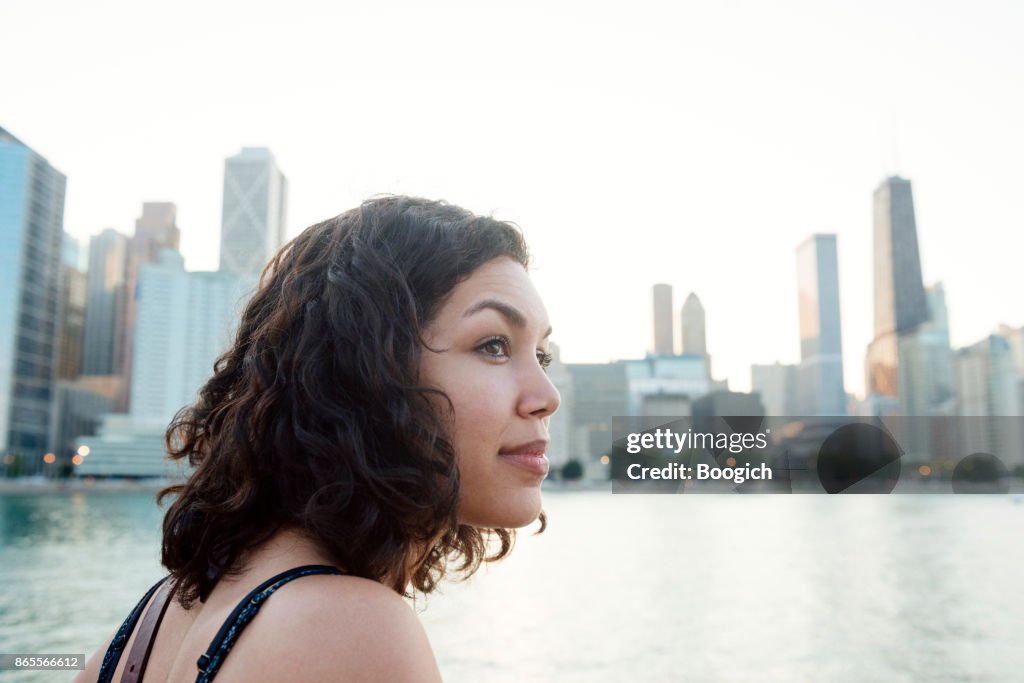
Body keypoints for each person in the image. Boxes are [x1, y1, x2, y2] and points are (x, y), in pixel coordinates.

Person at [76, 196, 560, 682]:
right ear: (365, 371)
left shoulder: (143, 628)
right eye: (493, 345)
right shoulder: (355, 633)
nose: (547, 396)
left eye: (541, 356)